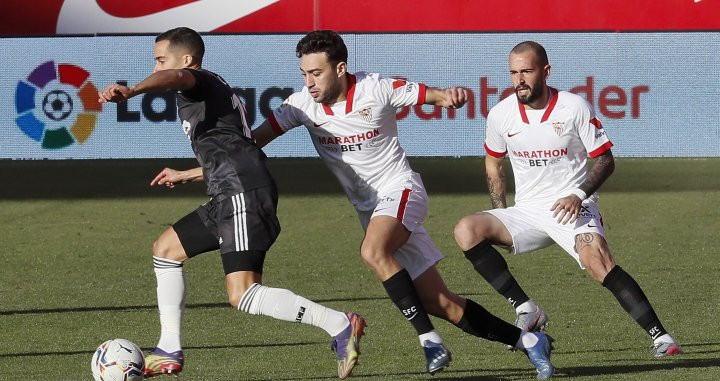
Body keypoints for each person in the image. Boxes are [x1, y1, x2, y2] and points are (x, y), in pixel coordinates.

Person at [251, 30, 555, 379]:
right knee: (439, 302)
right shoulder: (301, 105)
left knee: (372, 252)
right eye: (304, 73)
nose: (309, 82)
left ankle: (429, 341)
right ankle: (529, 343)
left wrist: (448, 97)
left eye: (316, 73)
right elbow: (254, 142)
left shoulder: (375, 87)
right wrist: (198, 172)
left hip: (402, 190)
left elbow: (429, 95)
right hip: (373, 212)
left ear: (340, 68)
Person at [97, 27, 367, 379]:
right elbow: (236, 149)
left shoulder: (196, 80)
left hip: (241, 192)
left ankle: (338, 324)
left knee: (242, 294)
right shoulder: (210, 93)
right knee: (165, 249)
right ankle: (169, 350)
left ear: (188, 60)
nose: (158, 67)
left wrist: (134, 89)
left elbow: (175, 77)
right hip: (230, 189)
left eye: (161, 60)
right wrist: (189, 174)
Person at [453, 41, 683, 358]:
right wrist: (501, 214)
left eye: (527, 72)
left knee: (597, 263)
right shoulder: (500, 114)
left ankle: (662, 338)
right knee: (466, 229)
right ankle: (525, 307)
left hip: (573, 207)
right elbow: (493, 163)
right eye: (513, 73)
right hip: (527, 212)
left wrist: (578, 195)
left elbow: (605, 159)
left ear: (546, 72)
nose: (519, 80)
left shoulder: (573, 107)